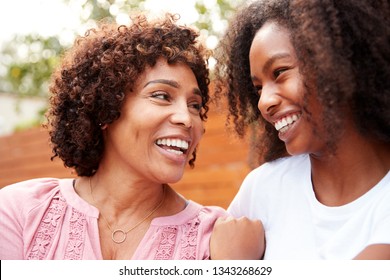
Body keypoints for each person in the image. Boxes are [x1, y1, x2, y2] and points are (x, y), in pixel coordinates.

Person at [0, 13, 235, 260]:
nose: (187, 118)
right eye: (162, 96)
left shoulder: (216, 237)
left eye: (195, 105)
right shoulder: (21, 211)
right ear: (106, 109)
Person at [212, 0, 390, 259]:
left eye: (280, 72)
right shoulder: (262, 189)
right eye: (258, 88)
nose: (264, 102)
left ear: (338, 62)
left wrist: (231, 267)